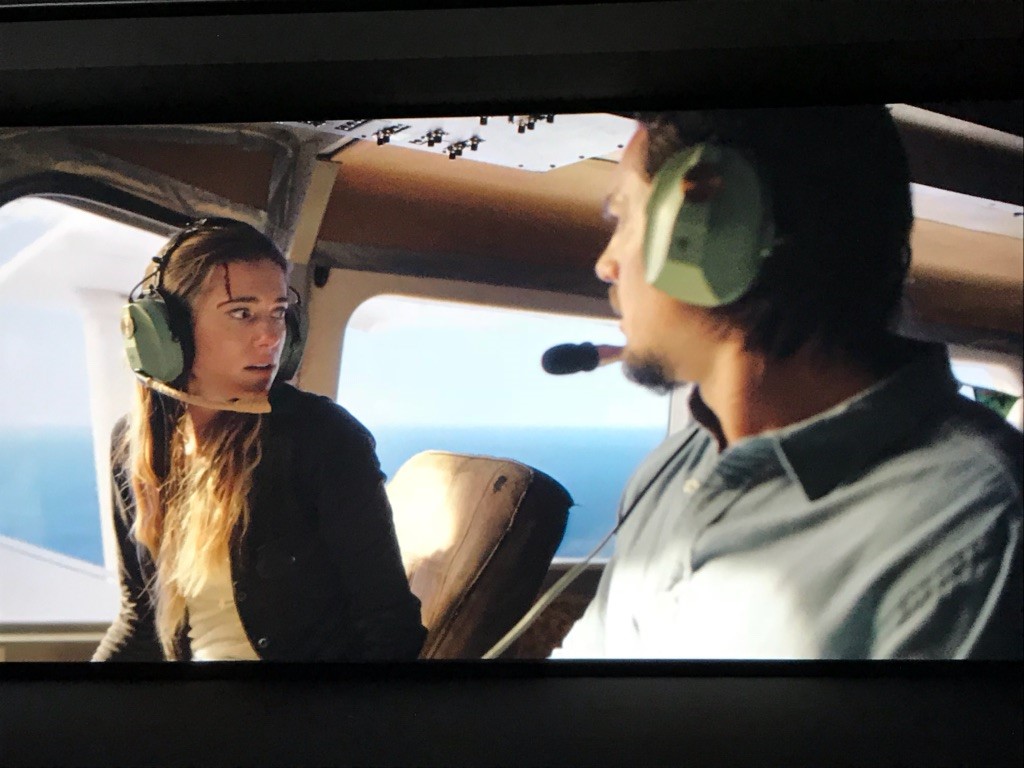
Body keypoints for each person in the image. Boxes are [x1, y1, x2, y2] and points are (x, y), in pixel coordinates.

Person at [552, 107, 1022, 659]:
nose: (606, 265)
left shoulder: (975, 523)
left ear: (710, 226)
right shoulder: (670, 472)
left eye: (622, 217)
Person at [93, 218, 426, 661]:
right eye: (242, 313)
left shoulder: (322, 438)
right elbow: (140, 622)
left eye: (278, 312)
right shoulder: (134, 444)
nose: (270, 337)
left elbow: (390, 627)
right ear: (168, 331)